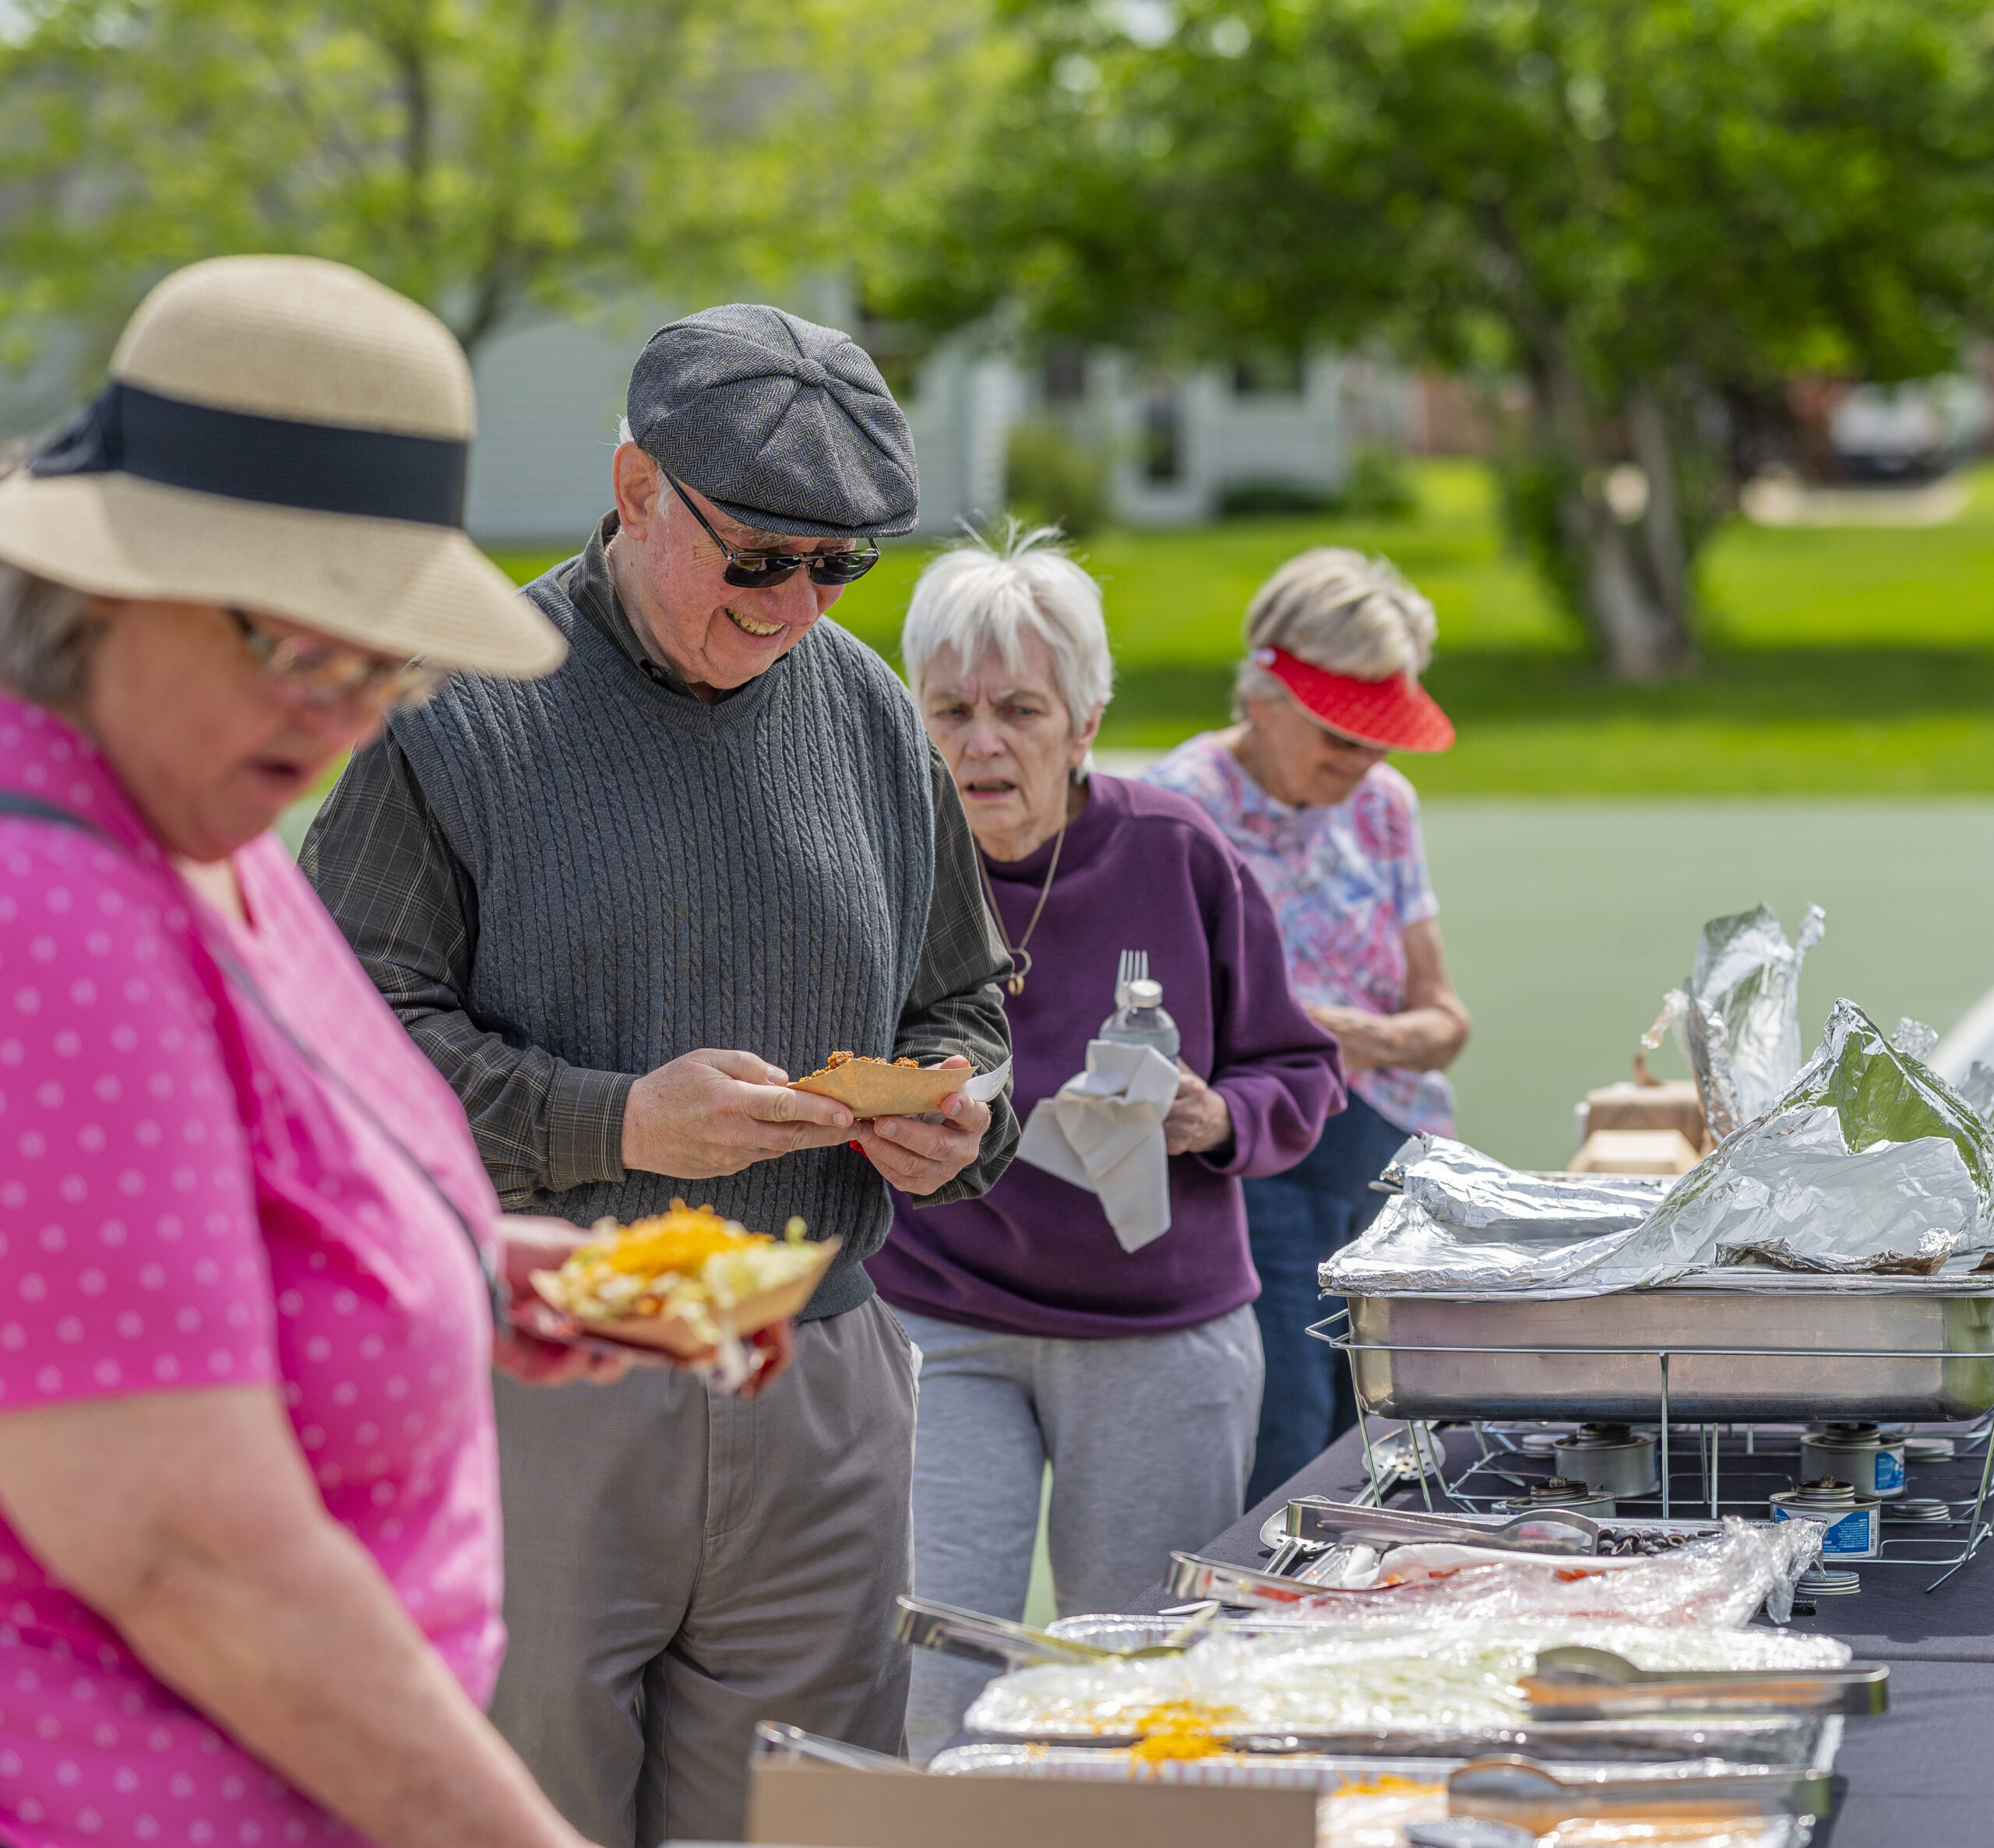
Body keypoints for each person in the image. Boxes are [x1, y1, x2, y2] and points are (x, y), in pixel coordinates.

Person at [303, 305, 1018, 1842]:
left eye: (841, 567)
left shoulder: (877, 715)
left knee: (797, 1825)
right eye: (757, 556)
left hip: (817, 1388)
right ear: (633, 487)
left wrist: (958, 1114)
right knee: (516, 1811)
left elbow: (963, 1001)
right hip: (545, 1380)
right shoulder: (446, 703)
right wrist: (612, 1121)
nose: (795, 605)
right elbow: (334, 1058)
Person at [0, 255, 657, 1846]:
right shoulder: (51, 901)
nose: (342, 715)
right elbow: (182, 1545)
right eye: (297, 647)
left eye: (387, 664)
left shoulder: (188, 817)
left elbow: (178, 1227)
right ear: (107, 584)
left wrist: (463, 1266)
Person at [864, 527, 1343, 1758]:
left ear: (1082, 725)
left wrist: (1219, 1115)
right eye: (951, 709)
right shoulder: (877, 863)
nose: (981, 742)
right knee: (933, 1664)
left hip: (1158, 1330)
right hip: (942, 1310)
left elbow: (1299, 1067)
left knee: (1136, 1686)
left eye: (1019, 708)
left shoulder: (1175, 851)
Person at [1147, 547, 1471, 1505]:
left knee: (1398, 1424)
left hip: (1389, 1145)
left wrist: (1317, 1030)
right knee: (1282, 1428)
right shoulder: (1181, 805)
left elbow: (1445, 1020)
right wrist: (1338, 1036)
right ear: (1262, 695)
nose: (1360, 762)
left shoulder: (1382, 807)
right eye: (1339, 737)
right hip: (1258, 1153)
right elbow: (1178, 1028)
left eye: (1378, 740)